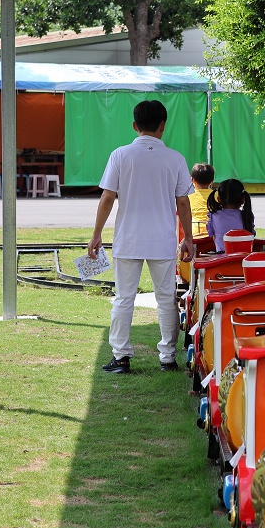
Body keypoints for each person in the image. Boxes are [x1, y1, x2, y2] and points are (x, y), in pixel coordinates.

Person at [87, 99, 195, 374]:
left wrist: (96, 234)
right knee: (166, 298)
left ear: (135, 126)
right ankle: (167, 357)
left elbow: (107, 198)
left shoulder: (120, 155)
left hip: (129, 238)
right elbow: (183, 203)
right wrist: (189, 240)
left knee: (124, 298)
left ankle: (121, 356)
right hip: (162, 239)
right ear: (163, 125)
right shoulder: (176, 158)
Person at [206, 178, 255, 252]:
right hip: (243, 260)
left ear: (219, 199)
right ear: (243, 199)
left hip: (222, 260)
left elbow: (214, 237)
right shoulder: (247, 216)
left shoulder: (214, 216)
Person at [188, 163, 215, 237]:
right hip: (213, 232)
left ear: (192, 180)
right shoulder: (217, 195)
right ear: (212, 180)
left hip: (195, 233)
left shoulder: (188, 195)